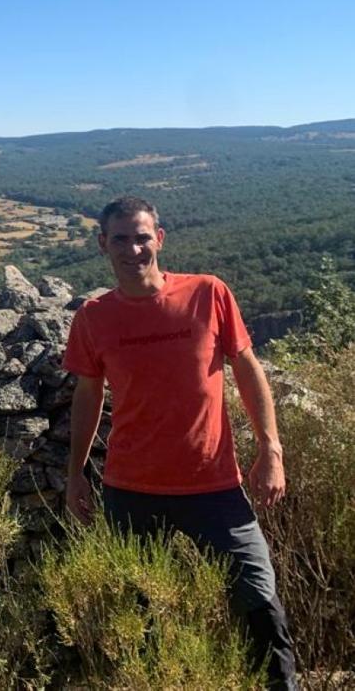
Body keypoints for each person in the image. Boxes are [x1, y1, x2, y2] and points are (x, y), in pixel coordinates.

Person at [62, 195, 297, 689]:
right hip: (131, 489)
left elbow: (248, 370)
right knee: (137, 616)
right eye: (121, 239)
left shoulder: (207, 293)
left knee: (259, 603)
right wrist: (76, 475)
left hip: (214, 485)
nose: (133, 249)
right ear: (104, 244)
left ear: (160, 239)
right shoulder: (93, 317)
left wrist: (270, 449)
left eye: (142, 236)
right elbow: (88, 395)